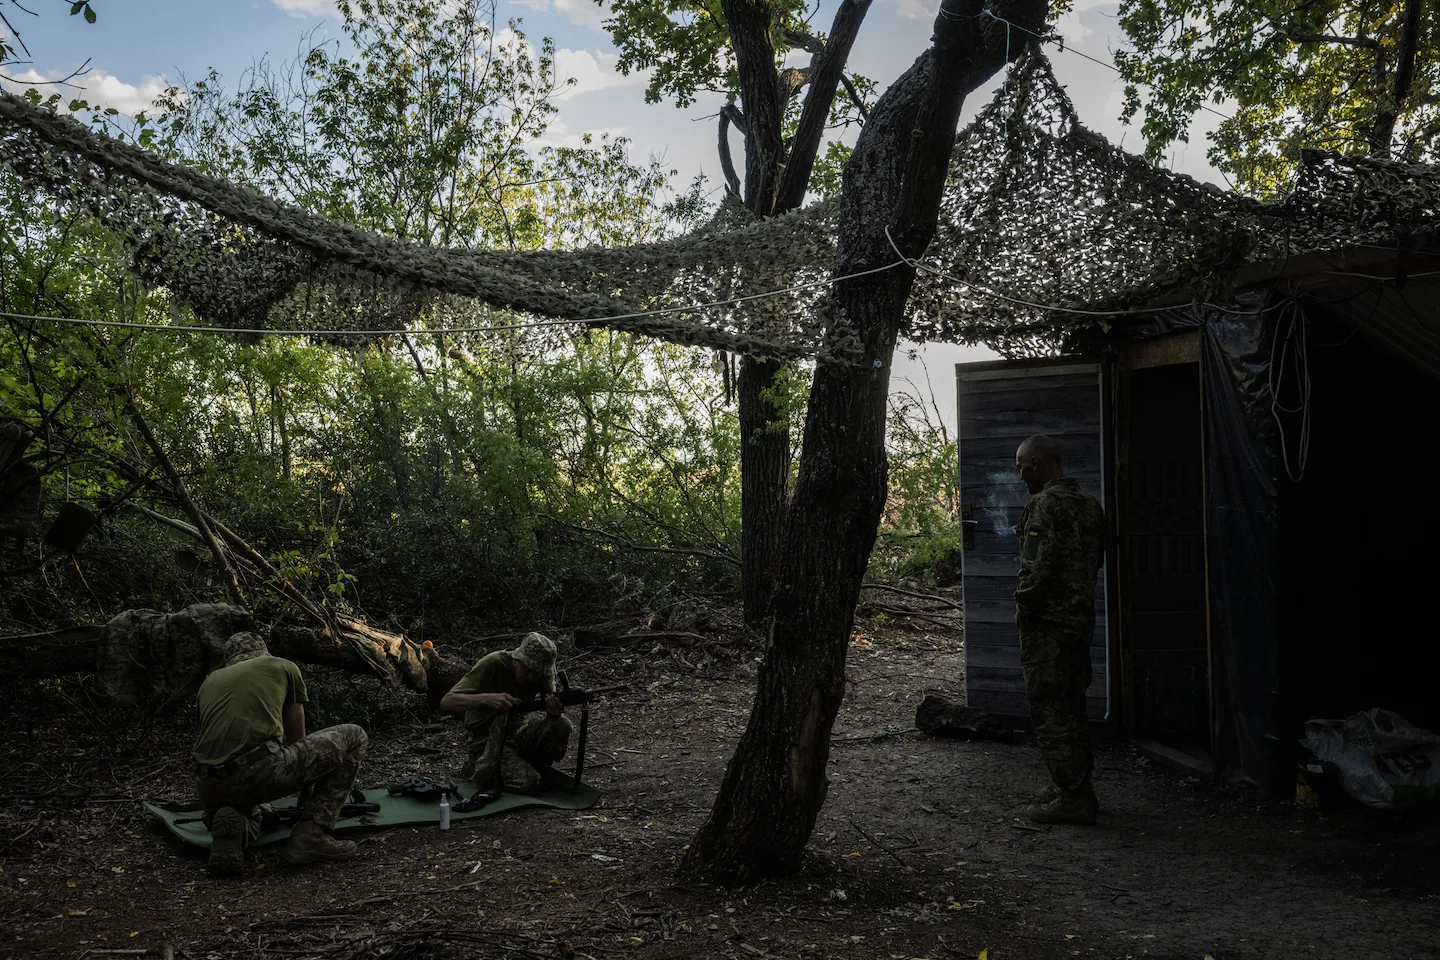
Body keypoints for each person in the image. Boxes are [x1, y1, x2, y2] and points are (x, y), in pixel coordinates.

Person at [192, 632, 368, 876]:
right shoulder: (283, 667)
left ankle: (237, 827)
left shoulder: (209, 682)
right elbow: (298, 739)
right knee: (355, 735)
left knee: (257, 811)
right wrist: (306, 799)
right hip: (257, 772)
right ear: (262, 651)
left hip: (207, 785)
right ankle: (312, 835)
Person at [1014, 434, 1106, 825]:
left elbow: (1036, 570)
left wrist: (1023, 605)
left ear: (1037, 463)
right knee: (1073, 705)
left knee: (1050, 708)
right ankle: (1075, 782)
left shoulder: (1043, 506)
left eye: (1022, 467)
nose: (1020, 476)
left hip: (1048, 628)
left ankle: (1074, 797)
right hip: (1079, 622)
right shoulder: (1090, 506)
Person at [441, 632, 572, 794]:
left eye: (536, 673)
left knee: (562, 724)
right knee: (527, 783)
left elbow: (550, 701)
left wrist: (553, 713)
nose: (531, 677)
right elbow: (447, 701)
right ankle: (476, 765)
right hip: (487, 738)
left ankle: (529, 765)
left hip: (519, 732)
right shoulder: (493, 664)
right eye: (527, 669)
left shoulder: (542, 673)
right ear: (517, 659)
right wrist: (487, 699)